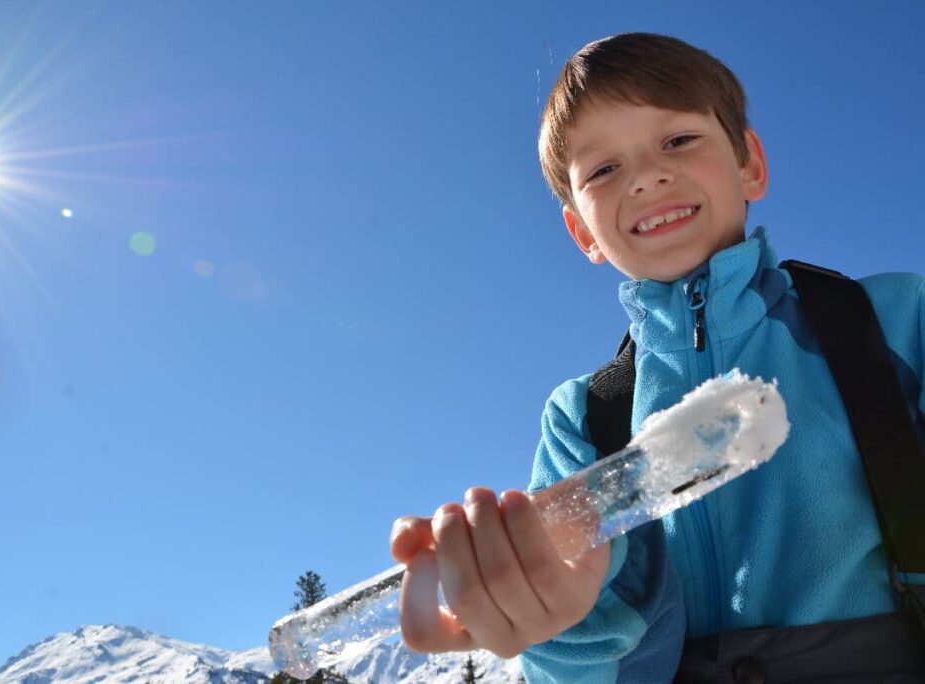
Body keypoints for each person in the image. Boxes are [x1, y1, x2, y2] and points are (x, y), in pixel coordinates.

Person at [389, 33, 925, 683]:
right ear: (582, 230)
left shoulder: (892, 323)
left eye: (678, 141)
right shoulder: (584, 420)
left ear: (749, 162)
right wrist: (564, 624)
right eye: (604, 170)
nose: (646, 176)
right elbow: (578, 670)